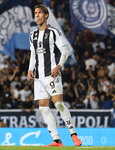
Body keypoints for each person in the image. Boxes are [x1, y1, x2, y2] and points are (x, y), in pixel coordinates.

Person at [27, 4, 81, 147]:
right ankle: (56, 140)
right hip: (38, 78)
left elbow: (64, 52)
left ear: (46, 15)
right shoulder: (32, 35)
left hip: (51, 74)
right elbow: (33, 55)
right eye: (35, 13)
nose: (37, 15)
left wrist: (58, 66)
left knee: (59, 104)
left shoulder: (54, 32)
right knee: (43, 108)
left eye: (39, 13)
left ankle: (73, 134)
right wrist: (30, 69)